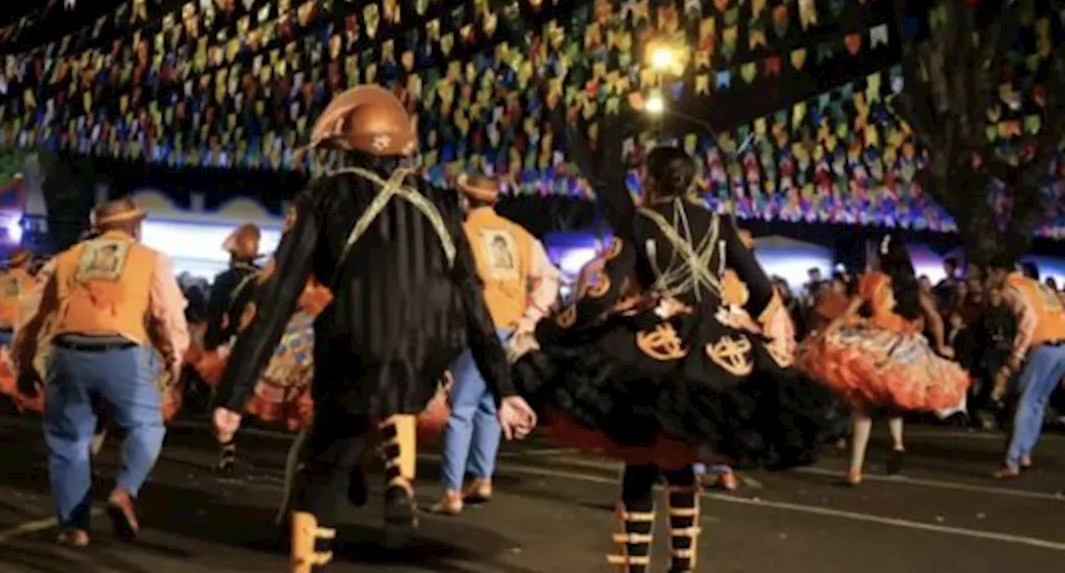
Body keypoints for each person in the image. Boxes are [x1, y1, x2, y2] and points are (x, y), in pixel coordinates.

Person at [210, 84, 535, 571]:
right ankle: (396, 478)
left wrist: (233, 394)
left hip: (353, 345)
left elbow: (278, 300)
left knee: (319, 466)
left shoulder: (324, 196)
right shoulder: (442, 203)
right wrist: (505, 388)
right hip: (426, 357)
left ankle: (308, 561)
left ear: (344, 147)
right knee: (390, 404)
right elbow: (473, 299)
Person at [510, 120, 844, 573]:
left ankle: (636, 568)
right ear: (692, 182)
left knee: (641, 456)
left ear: (648, 181)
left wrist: (555, 330)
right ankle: (683, 566)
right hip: (715, 343)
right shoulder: (720, 224)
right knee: (683, 452)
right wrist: (747, 327)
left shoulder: (640, 222)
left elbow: (602, 294)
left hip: (654, 343)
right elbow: (763, 292)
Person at [14, 198, 189, 547]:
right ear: (135, 227)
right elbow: (168, 312)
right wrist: (176, 356)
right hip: (121, 352)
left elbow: (31, 313)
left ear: (98, 228)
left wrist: (23, 359)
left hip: (66, 354)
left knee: (69, 443)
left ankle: (73, 528)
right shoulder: (150, 259)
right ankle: (124, 491)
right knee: (147, 425)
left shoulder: (66, 259)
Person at [431, 173, 556, 515]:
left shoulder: (460, 234)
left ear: (463, 199)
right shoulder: (520, 236)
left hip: (473, 330)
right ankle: (482, 478)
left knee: (460, 410)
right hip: (510, 329)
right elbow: (548, 279)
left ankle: (451, 491)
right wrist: (530, 319)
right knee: (491, 405)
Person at [799, 235, 966, 485]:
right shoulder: (910, 286)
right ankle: (897, 443)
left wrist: (823, 334)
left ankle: (855, 469)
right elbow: (934, 317)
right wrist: (941, 345)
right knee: (895, 395)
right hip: (907, 346)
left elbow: (846, 314)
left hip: (876, 344)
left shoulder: (873, 281)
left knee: (863, 406)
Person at [993, 261, 1065, 478]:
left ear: (998, 271)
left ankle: (1013, 460)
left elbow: (1028, 320)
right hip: (1061, 344)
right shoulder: (1039, 287)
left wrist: (1017, 354)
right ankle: (1025, 452)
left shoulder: (1013, 288)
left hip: (1041, 345)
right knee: (1039, 400)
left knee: (1026, 399)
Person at [0, 250, 39, 425]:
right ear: (28, 262)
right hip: (22, 335)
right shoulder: (33, 283)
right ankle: (23, 405)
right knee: (25, 370)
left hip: (1, 333)